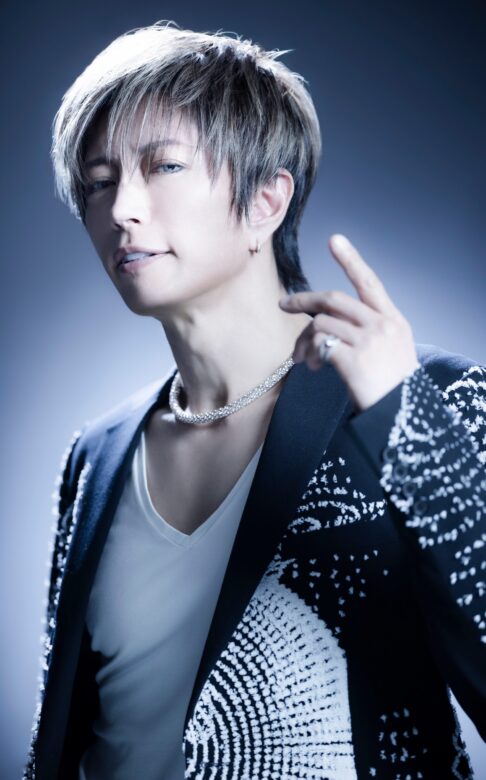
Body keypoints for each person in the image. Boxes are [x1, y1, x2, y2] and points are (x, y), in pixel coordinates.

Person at [24, 19, 485, 780]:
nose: (122, 208)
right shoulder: (96, 456)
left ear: (267, 200)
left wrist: (404, 421)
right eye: (100, 181)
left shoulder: (428, 400)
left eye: (164, 166)